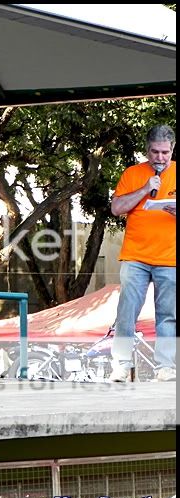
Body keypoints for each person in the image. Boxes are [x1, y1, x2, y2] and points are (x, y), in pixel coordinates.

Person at [109, 124, 176, 382]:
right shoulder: (133, 173)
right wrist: (146, 189)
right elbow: (117, 208)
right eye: (155, 152)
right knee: (126, 311)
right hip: (135, 257)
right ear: (147, 150)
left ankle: (165, 367)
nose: (160, 158)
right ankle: (121, 365)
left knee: (168, 315)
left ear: (172, 149)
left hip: (169, 259)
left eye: (165, 153)